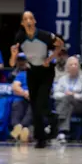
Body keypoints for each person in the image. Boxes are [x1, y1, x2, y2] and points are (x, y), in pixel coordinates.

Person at [9, 11, 64, 148]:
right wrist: (13, 55)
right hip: (32, 72)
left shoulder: (44, 35)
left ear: (34, 21)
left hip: (46, 72)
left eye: (31, 18)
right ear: (22, 23)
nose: (28, 21)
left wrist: (50, 58)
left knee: (40, 104)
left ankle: (53, 120)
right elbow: (11, 64)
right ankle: (41, 139)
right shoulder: (20, 37)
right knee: (34, 107)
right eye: (25, 19)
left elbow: (60, 44)